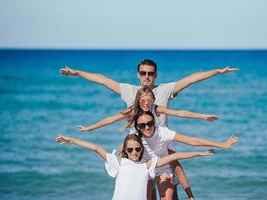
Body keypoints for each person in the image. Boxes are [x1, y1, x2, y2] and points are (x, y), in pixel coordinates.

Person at [60, 59, 239, 199]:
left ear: (156, 75)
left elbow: (191, 81)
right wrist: (77, 73)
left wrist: (217, 72)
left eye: (150, 74)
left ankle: (190, 196)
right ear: (138, 74)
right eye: (143, 73)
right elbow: (104, 81)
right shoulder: (130, 92)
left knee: (174, 167)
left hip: (161, 145)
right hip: (138, 149)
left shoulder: (165, 91)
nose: (147, 76)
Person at [55, 134, 215, 200]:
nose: (134, 152)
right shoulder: (119, 162)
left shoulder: (147, 165)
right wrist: (72, 140)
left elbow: (175, 157)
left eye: (137, 149)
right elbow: (96, 148)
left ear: (141, 150)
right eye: (130, 149)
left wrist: (199, 153)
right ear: (125, 150)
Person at [133, 111, 239, 200]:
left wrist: (221, 144)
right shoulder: (135, 138)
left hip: (163, 168)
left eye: (150, 123)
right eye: (142, 125)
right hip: (144, 169)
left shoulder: (163, 132)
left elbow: (191, 140)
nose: (147, 127)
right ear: (137, 127)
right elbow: (124, 154)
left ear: (154, 123)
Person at [77, 85, 218, 132]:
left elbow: (179, 113)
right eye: (143, 100)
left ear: (153, 100)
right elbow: (111, 119)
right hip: (138, 143)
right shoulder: (132, 110)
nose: (146, 103)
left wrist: (203, 116)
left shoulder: (156, 109)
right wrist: (90, 128)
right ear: (138, 100)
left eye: (149, 100)